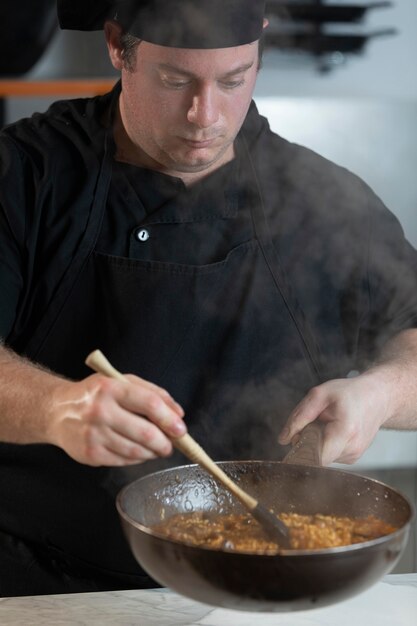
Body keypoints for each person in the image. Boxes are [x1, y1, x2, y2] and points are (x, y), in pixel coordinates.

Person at [0, 0, 416, 596]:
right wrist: (54, 407)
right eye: (176, 81)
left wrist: (381, 392)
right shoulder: (24, 175)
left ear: (259, 51)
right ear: (119, 47)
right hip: (43, 582)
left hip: (263, 579)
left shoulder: (322, 200)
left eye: (233, 80)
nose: (205, 115)